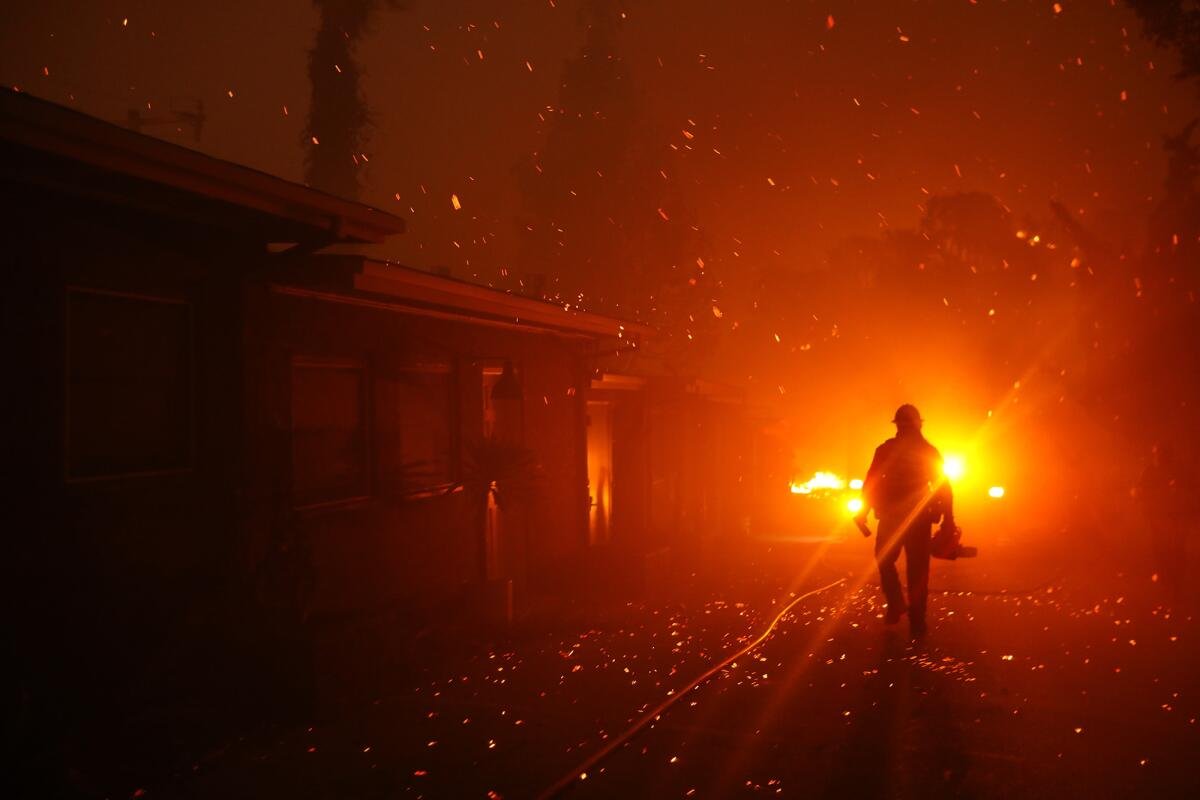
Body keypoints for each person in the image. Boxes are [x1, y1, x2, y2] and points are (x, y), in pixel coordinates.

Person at [857, 404, 953, 639]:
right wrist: (948, 519)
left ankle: (897, 603)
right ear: (919, 424)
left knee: (885, 558)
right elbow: (944, 487)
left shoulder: (886, 450)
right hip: (918, 518)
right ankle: (917, 622)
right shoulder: (928, 451)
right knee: (917, 571)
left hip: (893, 516)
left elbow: (871, 483)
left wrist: (864, 510)